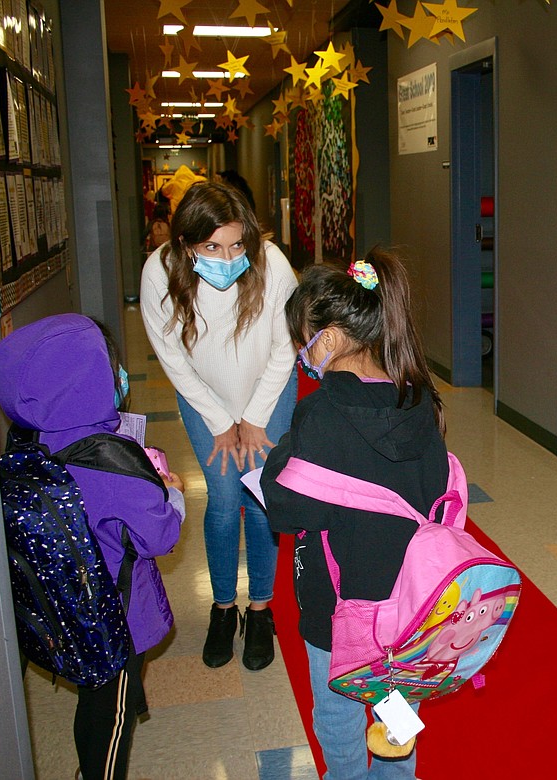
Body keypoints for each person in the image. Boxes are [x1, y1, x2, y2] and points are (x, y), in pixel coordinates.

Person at [261, 248, 448, 778]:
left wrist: (285, 450)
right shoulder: (421, 399)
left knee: (338, 714)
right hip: (412, 602)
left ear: (330, 339)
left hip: (339, 605)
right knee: (398, 717)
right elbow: (433, 488)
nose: (302, 353)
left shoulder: (319, 414)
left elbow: (289, 510)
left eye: (303, 340)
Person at [0, 314, 185, 780]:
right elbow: (159, 536)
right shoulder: (112, 463)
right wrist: (172, 494)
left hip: (67, 609)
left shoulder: (29, 445)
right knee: (111, 716)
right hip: (117, 616)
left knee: (96, 696)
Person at [140, 181, 298, 671]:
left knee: (262, 497)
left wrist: (253, 418)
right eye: (212, 247)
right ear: (185, 243)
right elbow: (172, 357)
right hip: (202, 396)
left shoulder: (272, 264)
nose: (228, 259)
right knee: (226, 499)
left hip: (268, 392)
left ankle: (261, 609)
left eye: (236, 245)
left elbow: (285, 348)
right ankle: (224, 607)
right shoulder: (159, 271)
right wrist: (219, 420)